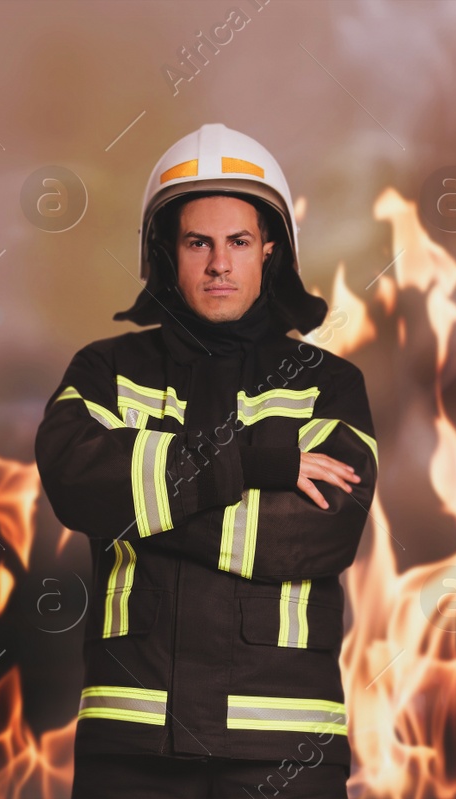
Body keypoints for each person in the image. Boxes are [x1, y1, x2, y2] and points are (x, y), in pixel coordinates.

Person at [33, 123, 379, 798]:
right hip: (131, 744)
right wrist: (255, 463)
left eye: (239, 242)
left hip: (281, 748)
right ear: (167, 253)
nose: (219, 263)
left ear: (269, 252)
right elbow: (77, 484)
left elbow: (316, 534)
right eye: (199, 242)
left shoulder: (328, 384)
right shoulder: (104, 369)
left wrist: (141, 506)